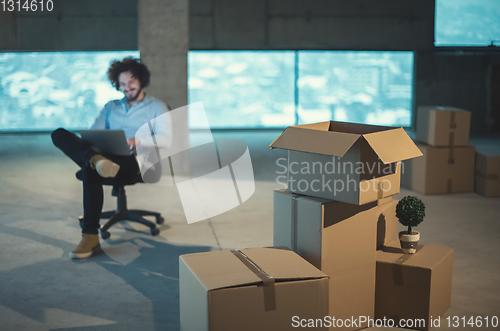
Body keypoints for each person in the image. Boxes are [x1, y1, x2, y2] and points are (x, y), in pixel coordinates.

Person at [52, 57, 172, 259]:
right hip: (106, 155)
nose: (127, 87)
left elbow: (167, 139)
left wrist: (138, 140)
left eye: (131, 82)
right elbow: (92, 133)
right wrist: (93, 143)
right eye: (122, 84)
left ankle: (90, 236)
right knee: (59, 134)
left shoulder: (157, 107)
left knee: (90, 167)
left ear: (141, 80)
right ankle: (95, 160)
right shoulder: (111, 107)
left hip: (135, 160)